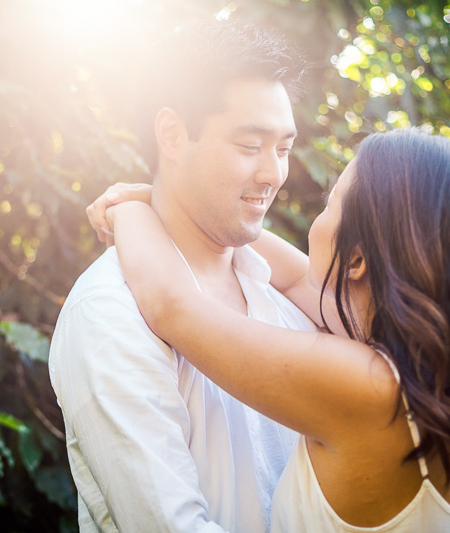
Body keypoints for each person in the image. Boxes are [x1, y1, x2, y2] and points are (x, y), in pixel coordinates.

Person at [92, 127, 450, 531]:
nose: (317, 219)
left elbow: (171, 307)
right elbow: (289, 276)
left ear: (358, 260)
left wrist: (126, 208)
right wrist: (179, 204)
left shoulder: (372, 388)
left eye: (330, 204)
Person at [49, 19, 313, 532]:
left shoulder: (287, 295)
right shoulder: (110, 312)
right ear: (171, 134)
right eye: (249, 145)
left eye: (283, 149)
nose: (273, 174)